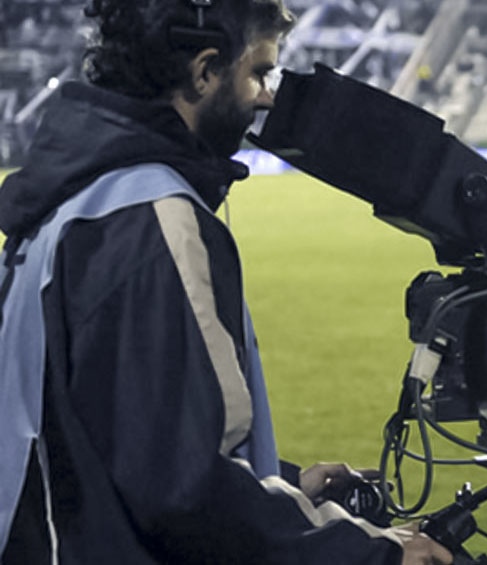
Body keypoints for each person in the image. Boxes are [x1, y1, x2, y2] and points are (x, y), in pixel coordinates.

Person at [0, 1, 452, 563]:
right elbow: (185, 494)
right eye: (259, 72)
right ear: (205, 71)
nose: (267, 97)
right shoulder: (149, 217)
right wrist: (369, 552)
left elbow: (127, 439)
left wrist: (282, 485)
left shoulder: (79, 197)